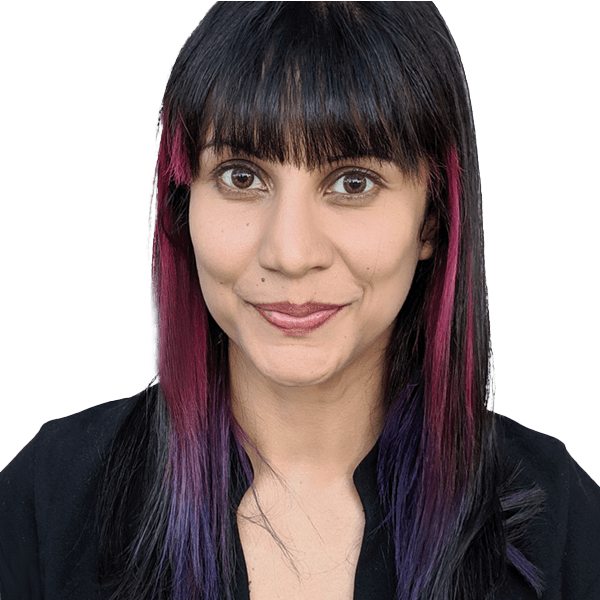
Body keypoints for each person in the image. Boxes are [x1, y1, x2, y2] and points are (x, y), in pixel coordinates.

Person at [1, 2, 599, 599]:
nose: (290, 254)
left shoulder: (561, 522)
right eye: (241, 177)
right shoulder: (50, 498)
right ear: (183, 205)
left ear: (432, 219)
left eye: (353, 182)